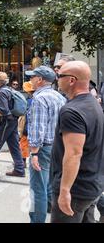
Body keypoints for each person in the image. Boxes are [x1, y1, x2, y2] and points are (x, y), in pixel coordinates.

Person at [51, 61, 104, 223]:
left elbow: (74, 153)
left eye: (60, 76)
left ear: (71, 80)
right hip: (91, 184)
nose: (57, 78)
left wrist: (65, 190)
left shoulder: (72, 111)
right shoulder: (93, 103)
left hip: (76, 190)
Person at [25, 66, 66, 223]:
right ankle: (50, 211)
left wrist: (34, 152)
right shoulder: (59, 97)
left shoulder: (39, 98)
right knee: (49, 184)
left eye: (32, 77)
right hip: (57, 146)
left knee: (37, 189)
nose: (30, 80)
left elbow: (37, 128)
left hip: (42, 149)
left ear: (40, 80)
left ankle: (37, 220)